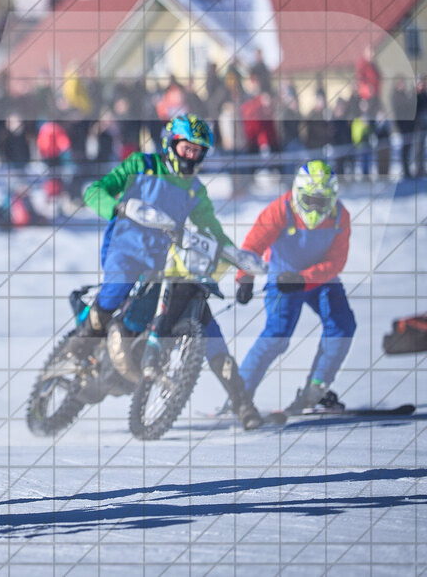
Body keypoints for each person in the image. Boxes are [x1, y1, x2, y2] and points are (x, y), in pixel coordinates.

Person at [81, 114, 262, 430]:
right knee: (117, 287)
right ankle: (80, 348)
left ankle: (242, 403)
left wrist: (242, 268)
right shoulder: (142, 164)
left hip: (162, 264)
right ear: (171, 144)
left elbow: (215, 234)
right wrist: (116, 206)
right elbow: (95, 190)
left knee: (206, 327)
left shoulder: (195, 192)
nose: (191, 156)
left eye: (197, 151)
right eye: (185, 148)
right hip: (125, 249)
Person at [234, 160, 355, 414]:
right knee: (277, 335)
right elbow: (252, 245)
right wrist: (245, 278)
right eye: (309, 200)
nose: (315, 207)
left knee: (343, 325)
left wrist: (304, 278)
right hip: (282, 277)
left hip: (320, 279)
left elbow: (336, 261)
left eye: (321, 202)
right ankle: (238, 396)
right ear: (298, 194)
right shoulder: (280, 209)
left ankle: (315, 390)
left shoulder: (340, 216)